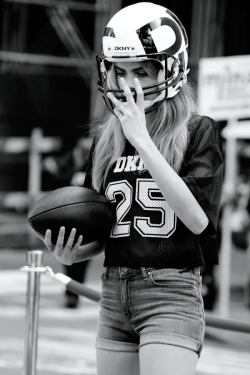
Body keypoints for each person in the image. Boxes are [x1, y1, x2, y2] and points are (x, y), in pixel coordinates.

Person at [36, 3, 223, 374]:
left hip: (170, 292)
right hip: (113, 291)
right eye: (120, 71)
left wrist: (143, 143)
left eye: (141, 70)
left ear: (170, 68)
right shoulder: (106, 139)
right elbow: (113, 230)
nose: (127, 83)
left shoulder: (198, 130)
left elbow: (198, 220)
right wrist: (74, 254)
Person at [43, 136, 93, 308]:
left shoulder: (97, 162)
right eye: (83, 149)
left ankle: (75, 292)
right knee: (67, 255)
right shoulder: (70, 158)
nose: (85, 153)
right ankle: (71, 292)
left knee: (82, 258)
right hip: (66, 216)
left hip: (87, 218)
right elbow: (55, 178)